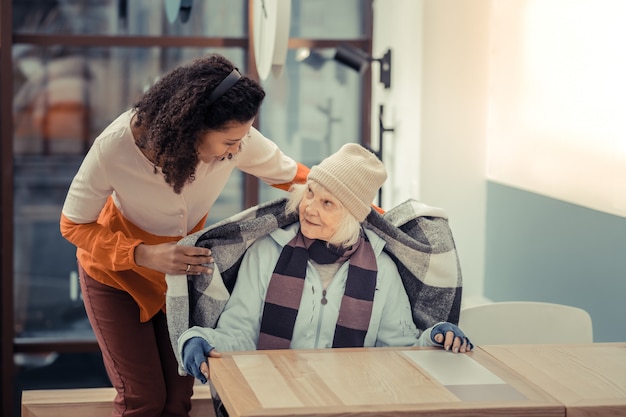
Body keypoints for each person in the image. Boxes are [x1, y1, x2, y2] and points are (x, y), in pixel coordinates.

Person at [60, 53, 309, 417]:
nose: (238, 148)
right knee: (143, 401)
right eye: (229, 142)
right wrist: (145, 254)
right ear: (193, 127)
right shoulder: (115, 147)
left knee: (178, 401)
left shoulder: (235, 137)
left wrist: (369, 208)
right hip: (115, 277)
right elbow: (73, 224)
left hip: (175, 281)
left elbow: (297, 178)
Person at [179, 143, 473, 391]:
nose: (309, 208)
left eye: (327, 203)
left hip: (350, 400)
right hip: (272, 395)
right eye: (310, 193)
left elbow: (396, 348)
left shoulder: (382, 268)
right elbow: (240, 332)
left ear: (351, 215)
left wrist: (435, 337)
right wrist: (201, 338)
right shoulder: (266, 252)